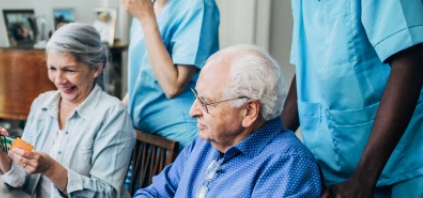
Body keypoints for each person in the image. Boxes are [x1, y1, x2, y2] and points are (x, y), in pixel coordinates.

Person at [254, 0, 423, 196]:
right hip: (330, 169)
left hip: (396, 168)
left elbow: (410, 64)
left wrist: (363, 178)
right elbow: (307, 68)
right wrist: (263, 145)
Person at [134, 45, 321, 198]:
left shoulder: (287, 164)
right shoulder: (204, 142)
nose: (192, 111)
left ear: (249, 111)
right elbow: (154, 193)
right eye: (196, 97)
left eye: (206, 102)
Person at [0, 24, 136, 198]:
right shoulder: (42, 104)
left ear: (96, 69)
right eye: (52, 69)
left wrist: (51, 169)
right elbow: (19, 180)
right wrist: (2, 147)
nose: (59, 80)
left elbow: (107, 194)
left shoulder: (112, 115)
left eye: (69, 70)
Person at [120, 0, 221, 151]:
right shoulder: (147, 4)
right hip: (140, 138)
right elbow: (142, 78)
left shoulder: (197, 4)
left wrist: (147, 19)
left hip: (178, 141)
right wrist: (112, 113)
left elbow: (173, 85)